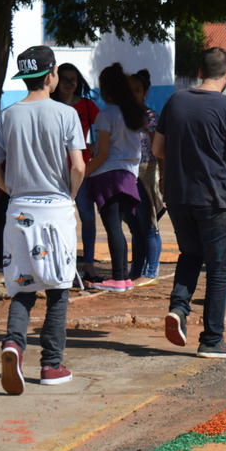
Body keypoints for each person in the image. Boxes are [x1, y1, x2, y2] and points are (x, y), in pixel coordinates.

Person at [152, 47, 226, 358]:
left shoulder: (175, 100)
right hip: (215, 199)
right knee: (218, 269)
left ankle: (178, 308)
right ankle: (212, 340)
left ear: (199, 72)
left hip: (177, 197)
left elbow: (158, 148)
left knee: (190, 255)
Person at [0, 46, 86, 394]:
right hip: (54, 211)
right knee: (58, 289)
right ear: (51, 76)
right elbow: (77, 166)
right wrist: (69, 195)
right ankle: (51, 365)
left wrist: (12, 189)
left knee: (22, 287)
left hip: (19, 211)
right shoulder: (66, 114)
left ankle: (13, 344)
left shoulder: (8, 116)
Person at [83, 63, 145, 292]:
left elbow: (102, 154)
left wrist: (81, 175)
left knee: (113, 228)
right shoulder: (132, 114)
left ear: (106, 90)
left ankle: (119, 278)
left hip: (108, 176)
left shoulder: (106, 114)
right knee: (118, 226)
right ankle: (124, 278)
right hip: (128, 176)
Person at [54, 63, 101, 281]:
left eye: (74, 79)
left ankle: (89, 264)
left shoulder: (88, 106)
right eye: (65, 78)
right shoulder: (50, 106)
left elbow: (103, 134)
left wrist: (93, 148)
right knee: (57, 220)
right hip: (54, 172)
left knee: (87, 218)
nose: (69, 83)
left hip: (81, 170)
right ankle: (60, 264)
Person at [126, 69, 163, 286]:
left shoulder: (150, 118)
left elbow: (159, 150)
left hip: (146, 172)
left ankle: (150, 271)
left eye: (138, 90)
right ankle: (136, 269)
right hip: (126, 173)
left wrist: (163, 177)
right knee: (135, 226)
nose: (133, 95)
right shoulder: (120, 117)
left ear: (146, 92)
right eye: (129, 91)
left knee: (149, 223)